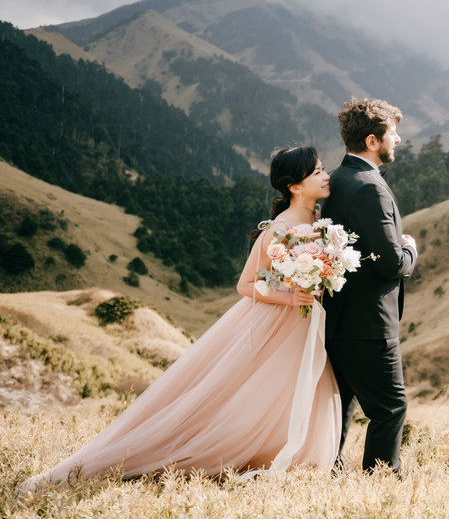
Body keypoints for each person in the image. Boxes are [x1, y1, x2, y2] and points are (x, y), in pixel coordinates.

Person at [20, 146, 340, 490]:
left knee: (293, 389)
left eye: (323, 170)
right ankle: (205, 451)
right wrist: (290, 296)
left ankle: (285, 452)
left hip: (305, 323)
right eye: (318, 171)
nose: (326, 175)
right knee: (251, 393)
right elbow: (247, 284)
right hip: (275, 323)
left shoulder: (320, 220)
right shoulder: (279, 229)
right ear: (294, 186)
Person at [323, 98, 417, 475]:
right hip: (369, 324)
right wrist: (410, 248)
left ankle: (329, 468)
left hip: (340, 319)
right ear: (373, 141)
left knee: (342, 404)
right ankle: (381, 480)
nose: (399, 138)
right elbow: (392, 263)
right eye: (392, 132)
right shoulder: (369, 188)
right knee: (390, 406)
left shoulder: (338, 179)